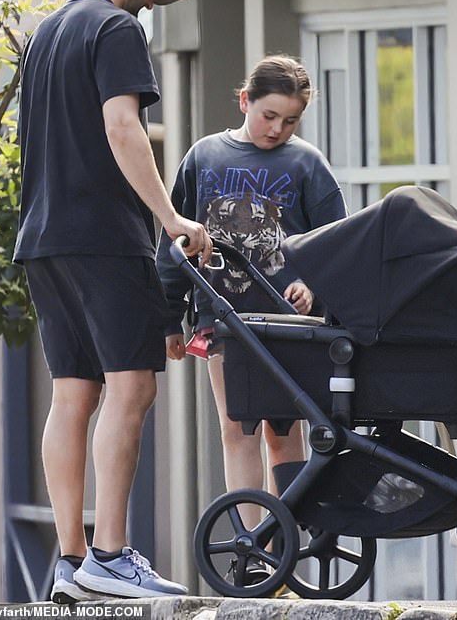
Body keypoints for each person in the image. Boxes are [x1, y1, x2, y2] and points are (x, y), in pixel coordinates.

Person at [13, 0, 212, 603]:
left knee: (74, 392)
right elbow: (122, 126)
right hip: (103, 236)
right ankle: (111, 553)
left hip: (43, 237)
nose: (152, 5)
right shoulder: (117, 31)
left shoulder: (44, 34)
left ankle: (71, 559)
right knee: (133, 386)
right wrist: (171, 219)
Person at [156, 55, 347, 583]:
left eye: (289, 121)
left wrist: (315, 287)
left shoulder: (307, 164)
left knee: (284, 435)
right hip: (222, 325)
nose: (277, 129)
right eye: (269, 116)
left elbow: (337, 245)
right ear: (244, 101)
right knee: (237, 429)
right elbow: (171, 243)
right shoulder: (204, 157)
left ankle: (287, 549)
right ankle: (252, 553)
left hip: (289, 326)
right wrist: (171, 318)